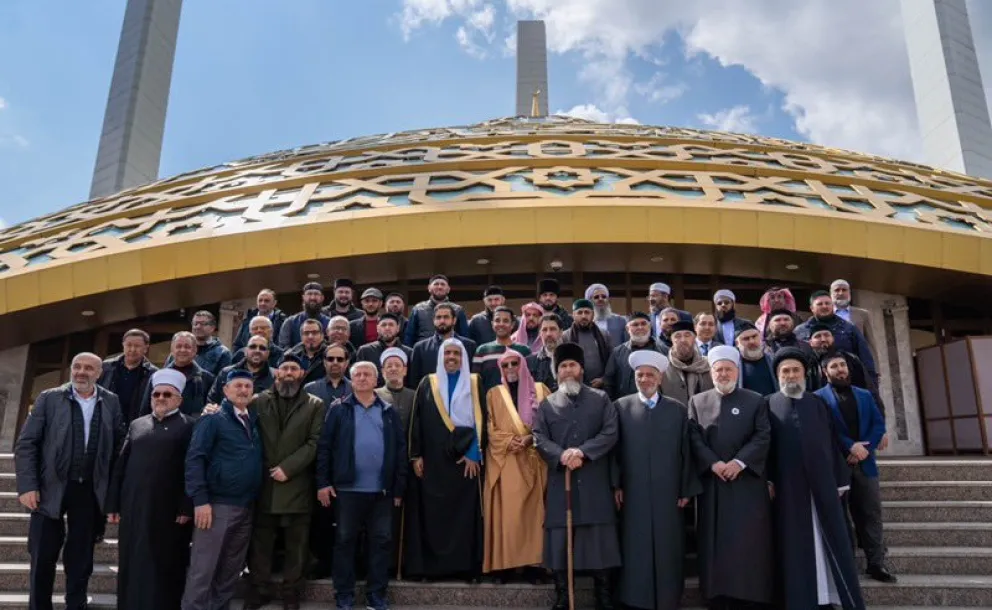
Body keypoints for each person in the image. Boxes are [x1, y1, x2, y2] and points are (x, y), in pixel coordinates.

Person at [15, 352, 124, 610]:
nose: (81, 372)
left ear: (99, 374)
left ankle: (76, 604)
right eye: (77, 366)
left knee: (81, 556)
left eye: (88, 368)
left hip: (89, 490)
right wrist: (28, 485)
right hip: (48, 487)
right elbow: (27, 444)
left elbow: (119, 448)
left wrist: (113, 497)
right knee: (42, 555)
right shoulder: (49, 398)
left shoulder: (111, 402)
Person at [767, 348, 865, 610]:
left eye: (795, 370)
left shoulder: (818, 403)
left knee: (832, 540)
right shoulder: (769, 404)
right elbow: (766, 448)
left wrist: (840, 479)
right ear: (777, 375)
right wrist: (768, 480)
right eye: (785, 371)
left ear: (804, 374)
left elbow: (833, 442)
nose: (790, 375)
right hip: (789, 488)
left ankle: (831, 597)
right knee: (795, 544)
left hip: (823, 484)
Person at [533, 343, 620, 610]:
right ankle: (562, 596)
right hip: (562, 481)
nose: (568, 371)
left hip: (594, 480)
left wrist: (582, 452)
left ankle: (602, 596)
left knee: (598, 541)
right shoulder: (547, 405)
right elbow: (538, 437)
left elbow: (610, 432)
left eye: (572, 365)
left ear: (581, 369)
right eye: (562, 366)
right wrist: (561, 455)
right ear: (556, 372)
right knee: (561, 541)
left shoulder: (601, 399)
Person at [687, 346, 774, 610]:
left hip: (746, 482)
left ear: (736, 371)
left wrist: (739, 462)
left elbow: (762, 435)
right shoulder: (697, 401)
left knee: (749, 540)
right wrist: (713, 463)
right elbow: (693, 437)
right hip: (714, 483)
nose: (723, 374)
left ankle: (750, 595)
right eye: (718, 369)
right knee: (714, 541)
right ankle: (717, 594)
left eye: (727, 369)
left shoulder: (755, 399)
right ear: (711, 372)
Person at [613, 349, 700, 610]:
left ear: (660, 378)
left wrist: (686, 488)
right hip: (633, 490)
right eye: (640, 375)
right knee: (634, 543)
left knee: (668, 545)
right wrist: (616, 484)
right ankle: (634, 598)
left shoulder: (676, 409)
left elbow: (686, 452)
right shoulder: (621, 407)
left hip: (668, 491)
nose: (645, 379)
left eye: (650, 375)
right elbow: (614, 450)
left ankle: (667, 597)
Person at [317, 361, 407, 610]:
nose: (363, 378)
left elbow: (400, 451)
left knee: (380, 543)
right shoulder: (338, 409)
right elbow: (324, 448)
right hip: (347, 491)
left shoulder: (388, 411)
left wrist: (398, 488)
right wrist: (323, 483)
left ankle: (376, 594)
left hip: (382, 492)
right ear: (352, 380)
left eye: (368, 374)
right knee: (344, 542)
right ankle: (343, 594)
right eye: (358, 374)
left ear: (376, 380)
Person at [106, 368, 195, 610]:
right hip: (133, 507)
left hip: (169, 511)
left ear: (179, 399)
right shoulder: (137, 424)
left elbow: (192, 469)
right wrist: (113, 503)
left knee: (164, 562)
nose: (161, 399)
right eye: (156, 394)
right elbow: (120, 466)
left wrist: (187, 505)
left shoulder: (189, 426)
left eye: (167, 394)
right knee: (132, 561)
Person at [244, 354, 326, 610]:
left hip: (296, 483)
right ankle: (259, 589)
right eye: (284, 368)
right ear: (276, 373)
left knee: (296, 544)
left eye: (294, 368)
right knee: (261, 544)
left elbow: (315, 442)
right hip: (265, 483)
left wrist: (288, 468)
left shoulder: (315, 404)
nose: (288, 372)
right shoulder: (258, 401)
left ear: (302, 374)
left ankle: (291, 592)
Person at [404, 338, 486, 582]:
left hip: (465, 463)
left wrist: (474, 453)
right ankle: (433, 570)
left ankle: (466, 569)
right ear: (440, 356)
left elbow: (483, 418)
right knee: (433, 516)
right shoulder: (427, 383)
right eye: (447, 353)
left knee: (465, 517)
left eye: (456, 354)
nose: (451, 357)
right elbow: (416, 421)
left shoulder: (474, 382)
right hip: (434, 463)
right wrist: (416, 455)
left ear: (463, 357)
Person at [182, 369, 264, 610]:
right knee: (203, 569)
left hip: (246, 506)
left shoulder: (253, 420)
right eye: (237, 386)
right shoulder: (213, 419)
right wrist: (200, 500)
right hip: (217, 505)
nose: (243, 390)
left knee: (230, 570)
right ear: (226, 390)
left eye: (247, 387)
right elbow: (195, 458)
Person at [815, 353, 896, 584]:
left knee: (871, 513)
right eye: (834, 366)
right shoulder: (818, 399)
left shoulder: (865, 395)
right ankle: (846, 563)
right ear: (825, 372)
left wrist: (864, 449)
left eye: (843, 365)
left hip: (865, 463)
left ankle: (876, 563)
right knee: (841, 516)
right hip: (837, 465)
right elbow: (826, 429)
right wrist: (850, 446)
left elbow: (877, 424)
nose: (840, 369)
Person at [483, 349, 551, 580]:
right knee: (509, 516)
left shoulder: (541, 390)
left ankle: (535, 566)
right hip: (508, 460)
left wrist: (531, 438)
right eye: (506, 365)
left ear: (523, 365)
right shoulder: (494, 393)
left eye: (515, 363)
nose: (511, 368)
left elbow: (551, 422)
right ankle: (508, 565)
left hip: (536, 460)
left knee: (535, 517)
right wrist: (510, 441)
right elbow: (489, 428)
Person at [373, 347, 416, 576]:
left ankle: (406, 562)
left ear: (405, 369)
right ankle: (385, 565)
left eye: (397, 365)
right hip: (382, 465)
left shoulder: (415, 394)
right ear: (382, 370)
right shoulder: (374, 394)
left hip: (409, 463)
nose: (393, 369)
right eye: (388, 365)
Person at [796, 290, 877, 382]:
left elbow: (865, 356)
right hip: (813, 383)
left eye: (827, 303)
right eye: (820, 304)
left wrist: (872, 381)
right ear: (812, 308)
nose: (824, 306)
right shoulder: (800, 331)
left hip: (847, 381)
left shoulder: (849, 328)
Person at [140, 331, 215, 418]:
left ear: (195, 350)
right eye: (178, 346)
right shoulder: (158, 377)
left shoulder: (207, 379)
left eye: (187, 347)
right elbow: (145, 410)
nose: (182, 350)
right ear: (172, 350)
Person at [408, 302, 478, 389]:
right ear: (433, 320)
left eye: (446, 317)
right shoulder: (420, 348)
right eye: (438, 317)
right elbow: (414, 382)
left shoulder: (469, 346)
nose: (442, 321)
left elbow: (474, 378)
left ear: (454, 320)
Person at [98, 328, 157, 425]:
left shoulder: (153, 373)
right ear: (123, 345)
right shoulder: (105, 367)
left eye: (137, 346)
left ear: (146, 348)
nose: (132, 349)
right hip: (105, 422)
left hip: (136, 424)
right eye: (129, 345)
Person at [603, 312, 668, 400]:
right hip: (625, 407)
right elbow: (608, 382)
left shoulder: (664, 350)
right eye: (635, 324)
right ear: (627, 328)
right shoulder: (617, 352)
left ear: (649, 326)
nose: (640, 327)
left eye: (643, 324)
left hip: (658, 405)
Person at [472, 306, 531, 393]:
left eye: (506, 321)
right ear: (492, 324)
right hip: (490, 404)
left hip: (519, 403)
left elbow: (529, 381)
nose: (501, 324)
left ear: (512, 325)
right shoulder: (482, 351)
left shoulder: (524, 350)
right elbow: (476, 383)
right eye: (497, 320)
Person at [207, 334, 275, 405]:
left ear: (268, 354)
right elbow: (212, 401)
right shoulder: (225, 373)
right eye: (253, 347)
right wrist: (210, 408)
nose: (257, 351)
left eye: (262, 348)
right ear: (245, 351)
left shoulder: (275, 377)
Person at [403, 274, 470, 346]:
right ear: (429, 288)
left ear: (448, 289)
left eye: (443, 284)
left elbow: (465, 337)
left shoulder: (458, 310)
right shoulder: (418, 309)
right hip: (424, 353)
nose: (439, 287)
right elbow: (409, 337)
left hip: (450, 353)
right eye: (436, 284)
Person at [561, 299, 611, 389]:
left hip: (601, 386)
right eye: (579, 313)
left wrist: (603, 379)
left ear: (593, 315)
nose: (583, 316)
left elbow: (611, 361)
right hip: (575, 385)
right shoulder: (565, 336)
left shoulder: (604, 335)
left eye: (587, 312)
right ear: (573, 315)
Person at [662, 320, 714, 405]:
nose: (683, 340)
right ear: (672, 340)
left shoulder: (708, 365)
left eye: (687, 335)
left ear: (694, 339)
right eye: (677, 336)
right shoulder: (663, 367)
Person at [355, 313, 413, 387]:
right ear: (377, 328)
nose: (387, 328)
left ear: (398, 328)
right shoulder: (365, 351)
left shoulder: (409, 353)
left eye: (391, 325)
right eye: (383, 325)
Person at [169, 310, 231, 377]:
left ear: (213, 327)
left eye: (203, 324)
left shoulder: (223, 353)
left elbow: (223, 381)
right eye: (195, 324)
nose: (198, 327)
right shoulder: (179, 351)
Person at [830, 279, 878, 361]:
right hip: (834, 361)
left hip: (858, 361)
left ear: (849, 293)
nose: (841, 293)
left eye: (844, 290)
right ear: (831, 294)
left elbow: (870, 342)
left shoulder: (863, 314)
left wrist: (876, 369)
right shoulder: (826, 315)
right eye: (837, 290)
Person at [279, 282, 331, 349]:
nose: (312, 297)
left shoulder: (329, 323)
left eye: (316, 294)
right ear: (303, 297)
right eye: (309, 294)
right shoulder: (290, 322)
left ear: (322, 298)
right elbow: (284, 348)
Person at [233, 288, 287, 353]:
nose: (263, 303)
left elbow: (284, 346)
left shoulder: (282, 322)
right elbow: (237, 345)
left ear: (274, 303)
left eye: (266, 301)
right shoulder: (247, 322)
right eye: (260, 300)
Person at [304, 343, 354, 407]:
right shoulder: (310, 388)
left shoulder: (356, 388)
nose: (335, 362)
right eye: (330, 359)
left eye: (340, 359)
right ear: (324, 362)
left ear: (346, 363)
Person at [284, 318, 329, 386]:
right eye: (306, 333)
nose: (310, 336)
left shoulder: (331, 356)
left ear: (322, 336)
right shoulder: (290, 356)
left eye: (314, 333)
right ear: (301, 337)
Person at [736, 324, 778, 396]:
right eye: (746, 338)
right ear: (737, 343)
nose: (752, 341)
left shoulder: (775, 360)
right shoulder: (734, 366)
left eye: (754, 336)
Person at [527, 313, 563, 392]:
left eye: (553, 329)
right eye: (544, 330)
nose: (548, 334)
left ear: (561, 332)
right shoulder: (529, 362)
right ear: (540, 333)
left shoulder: (572, 357)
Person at [585, 283, 628, 347]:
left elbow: (627, 344)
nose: (601, 299)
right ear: (589, 301)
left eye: (604, 296)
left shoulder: (620, 321)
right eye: (596, 297)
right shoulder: (584, 322)